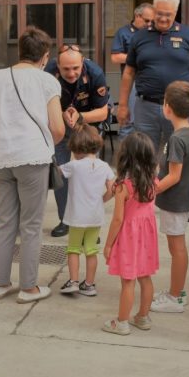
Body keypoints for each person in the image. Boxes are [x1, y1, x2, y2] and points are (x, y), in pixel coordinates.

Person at [0, 26, 66, 304]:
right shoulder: (47, 82)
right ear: (45, 56)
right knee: (32, 225)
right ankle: (29, 288)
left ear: (20, 51)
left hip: (0, 158)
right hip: (32, 158)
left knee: (4, 222)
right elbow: (57, 128)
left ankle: (0, 284)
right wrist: (47, 142)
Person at [116, 0, 189, 156]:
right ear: (153, 10)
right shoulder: (139, 37)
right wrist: (123, 105)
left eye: (168, 14)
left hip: (179, 107)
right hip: (146, 107)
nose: (163, 18)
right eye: (159, 13)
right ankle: (147, 184)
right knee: (143, 156)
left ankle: (174, 183)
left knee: (178, 156)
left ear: (175, 12)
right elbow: (129, 73)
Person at [44, 47, 109, 237]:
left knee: (90, 176)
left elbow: (103, 112)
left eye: (75, 68)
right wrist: (59, 115)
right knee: (60, 174)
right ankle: (65, 220)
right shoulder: (47, 73)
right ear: (58, 66)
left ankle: (89, 224)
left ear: (82, 63)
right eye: (66, 69)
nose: (71, 73)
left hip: (86, 126)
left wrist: (80, 117)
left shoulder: (95, 73)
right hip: (58, 126)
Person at [102, 132, 160, 336]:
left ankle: (122, 322)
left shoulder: (123, 187)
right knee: (145, 277)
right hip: (147, 237)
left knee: (128, 280)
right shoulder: (153, 181)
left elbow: (118, 219)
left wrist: (108, 244)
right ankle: (142, 317)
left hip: (129, 237)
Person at [150, 81, 189, 313]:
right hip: (180, 200)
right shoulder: (188, 132)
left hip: (176, 201)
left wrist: (150, 190)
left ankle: (176, 296)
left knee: (177, 248)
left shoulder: (177, 139)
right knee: (177, 247)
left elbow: (174, 176)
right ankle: (177, 290)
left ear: (167, 107)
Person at [58, 125, 116, 297]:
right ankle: (89, 284)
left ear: (77, 148)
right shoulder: (104, 166)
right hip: (95, 215)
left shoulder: (73, 165)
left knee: (74, 248)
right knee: (91, 250)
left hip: (77, 216)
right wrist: (102, 200)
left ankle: (74, 281)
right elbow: (113, 188)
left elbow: (56, 171)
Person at [111, 2, 155, 139]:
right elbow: (115, 57)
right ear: (137, 15)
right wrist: (139, 57)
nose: (149, 24)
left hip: (151, 81)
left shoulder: (153, 33)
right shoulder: (123, 32)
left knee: (148, 124)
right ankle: (126, 158)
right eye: (147, 20)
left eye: (152, 21)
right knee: (127, 122)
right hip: (131, 82)